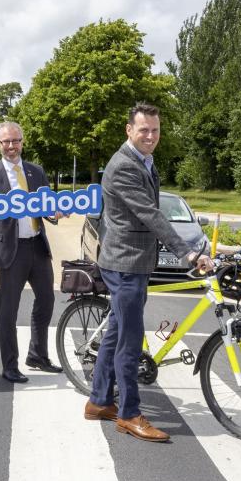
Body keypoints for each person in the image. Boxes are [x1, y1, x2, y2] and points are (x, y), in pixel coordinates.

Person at [86, 103, 213, 441]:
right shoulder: (124, 166)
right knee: (129, 341)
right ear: (129, 130)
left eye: (155, 130)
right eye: (143, 129)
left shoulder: (144, 161)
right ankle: (128, 414)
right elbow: (150, 214)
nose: (151, 136)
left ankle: (98, 401)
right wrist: (186, 251)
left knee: (116, 332)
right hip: (124, 262)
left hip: (135, 261)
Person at [0, 121, 64, 383]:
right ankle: (9, 365)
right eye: (6, 142)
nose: (11, 146)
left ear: (22, 141)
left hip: (37, 245)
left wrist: (54, 213)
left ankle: (37, 355)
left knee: (46, 301)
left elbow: (47, 206)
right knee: (8, 310)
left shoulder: (36, 172)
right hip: (10, 250)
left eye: (15, 140)